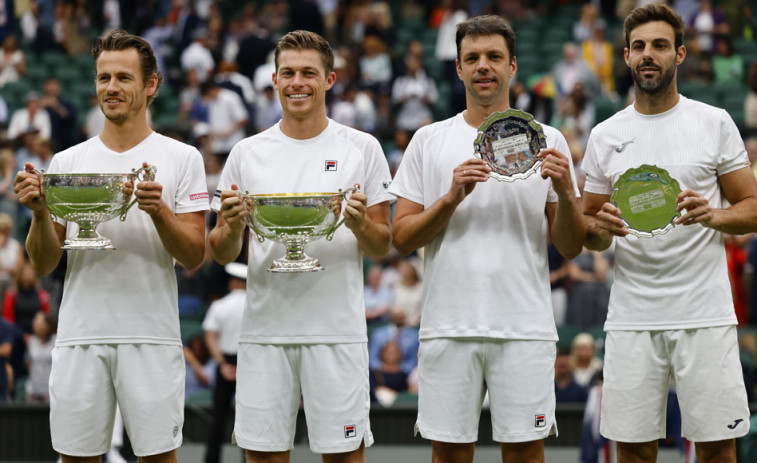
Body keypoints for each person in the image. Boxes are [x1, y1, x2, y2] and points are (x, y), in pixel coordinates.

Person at [388, 14, 585, 463]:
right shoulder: (428, 140)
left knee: (525, 455)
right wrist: (450, 198)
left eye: (494, 57)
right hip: (448, 325)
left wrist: (567, 194)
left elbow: (571, 246)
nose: (483, 66)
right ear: (457, 68)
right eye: (472, 58)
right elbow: (400, 238)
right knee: (450, 456)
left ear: (512, 65)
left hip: (524, 326)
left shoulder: (547, 140)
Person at [13, 29, 208, 463]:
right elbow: (44, 263)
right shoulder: (67, 162)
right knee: (76, 459)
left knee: (158, 459)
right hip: (81, 333)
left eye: (123, 78)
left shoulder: (182, 158)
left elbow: (195, 254)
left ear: (151, 84)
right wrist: (41, 213)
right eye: (104, 78)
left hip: (151, 335)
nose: (111, 88)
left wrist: (160, 213)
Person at [581, 4, 756, 462]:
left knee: (718, 448)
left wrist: (715, 216)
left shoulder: (714, 121)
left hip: (705, 312)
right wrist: (602, 227)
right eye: (638, 46)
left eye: (659, 45)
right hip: (633, 315)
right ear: (626, 56)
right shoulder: (604, 134)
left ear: (679, 54)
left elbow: (752, 208)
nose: (648, 54)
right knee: (634, 451)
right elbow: (590, 232)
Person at [209, 30, 393, 463]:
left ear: (329, 80)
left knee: (344, 456)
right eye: (288, 73)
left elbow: (383, 243)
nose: (297, 82)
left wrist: (360, 223)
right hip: (265, 332)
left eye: (309, 73)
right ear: (274, 80)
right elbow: (219, 251)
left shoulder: (362, 148)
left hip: (336, 332)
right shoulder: (246, 152)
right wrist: (233, 228)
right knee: (264, 458)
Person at [203, 262, 246, 463]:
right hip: (249, 364)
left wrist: (222, 364)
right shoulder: (255, 305)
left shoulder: (219, 306)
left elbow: (210, 336)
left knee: (218, 417)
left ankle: (212, 460)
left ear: (232, 282)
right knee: (247, 418)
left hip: (225, 363)